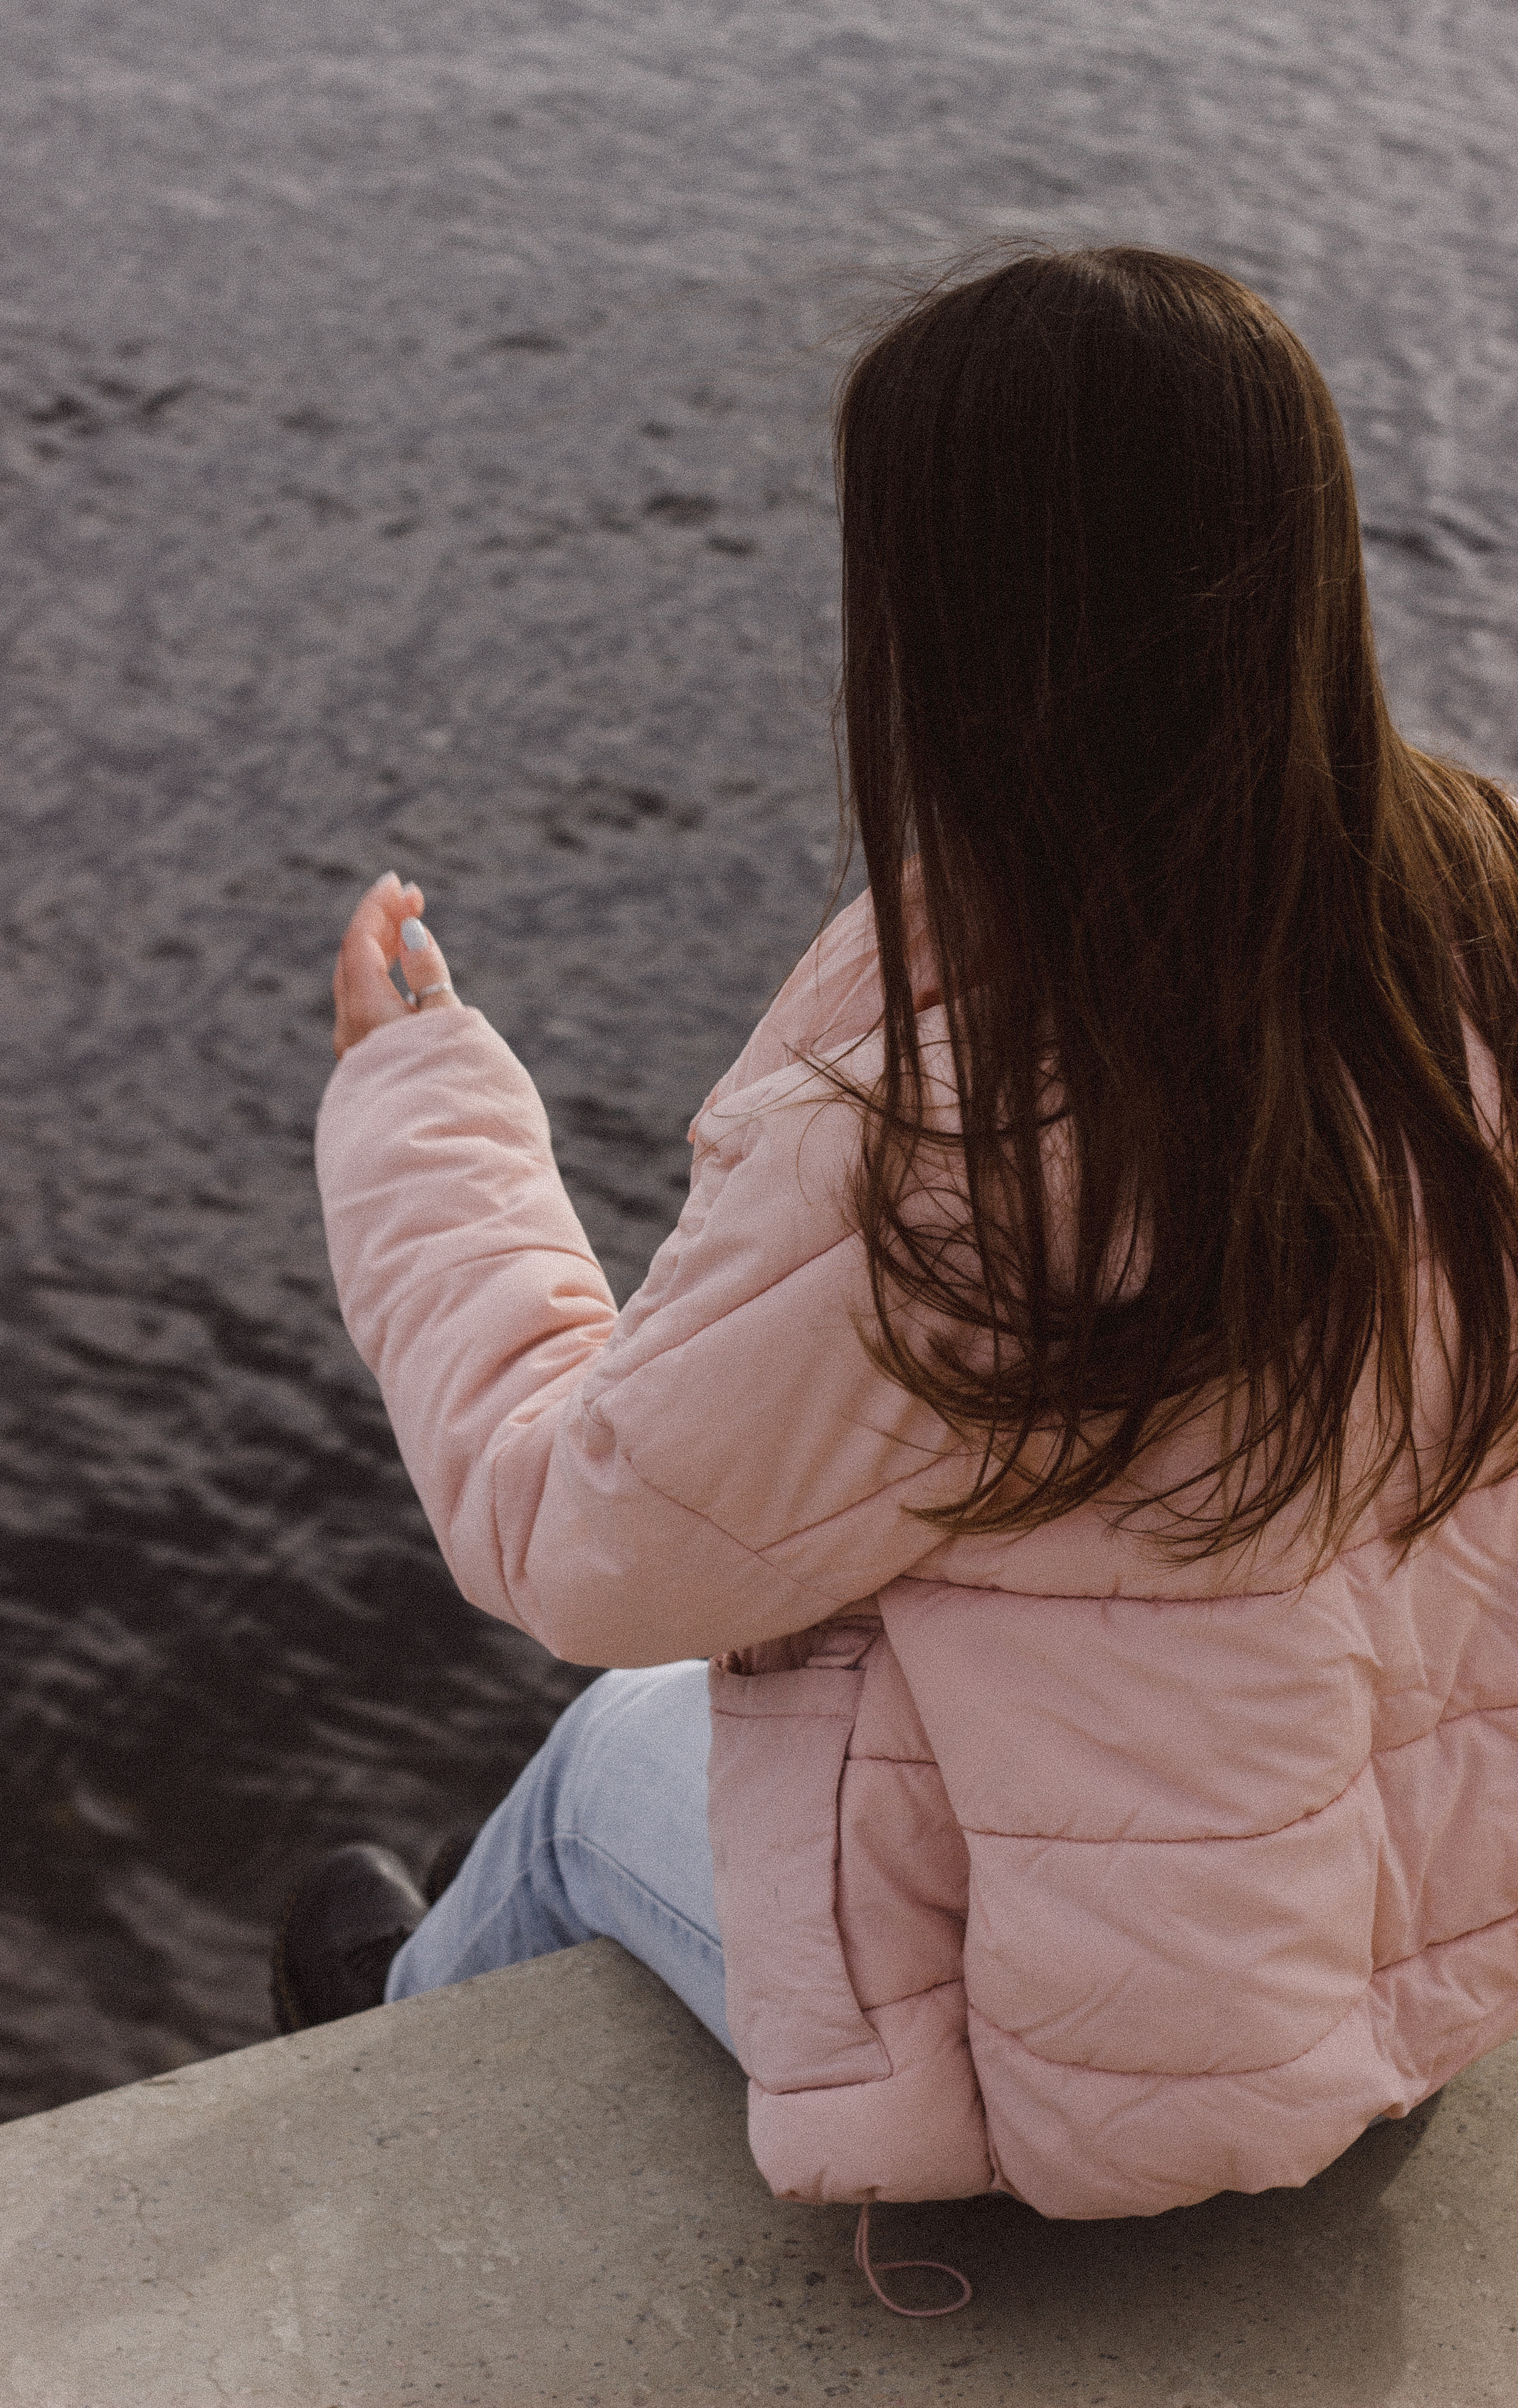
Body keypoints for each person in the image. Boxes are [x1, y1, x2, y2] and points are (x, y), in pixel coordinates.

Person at [275, 247, 1518, 2241]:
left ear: (968, 624)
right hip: (1420, 1977)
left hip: (1095, 2090)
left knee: (599, 1755)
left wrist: (421, 1106)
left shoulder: (979, 1125)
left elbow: (583, 1539)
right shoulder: (1470, 927)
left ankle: (386, 2041)